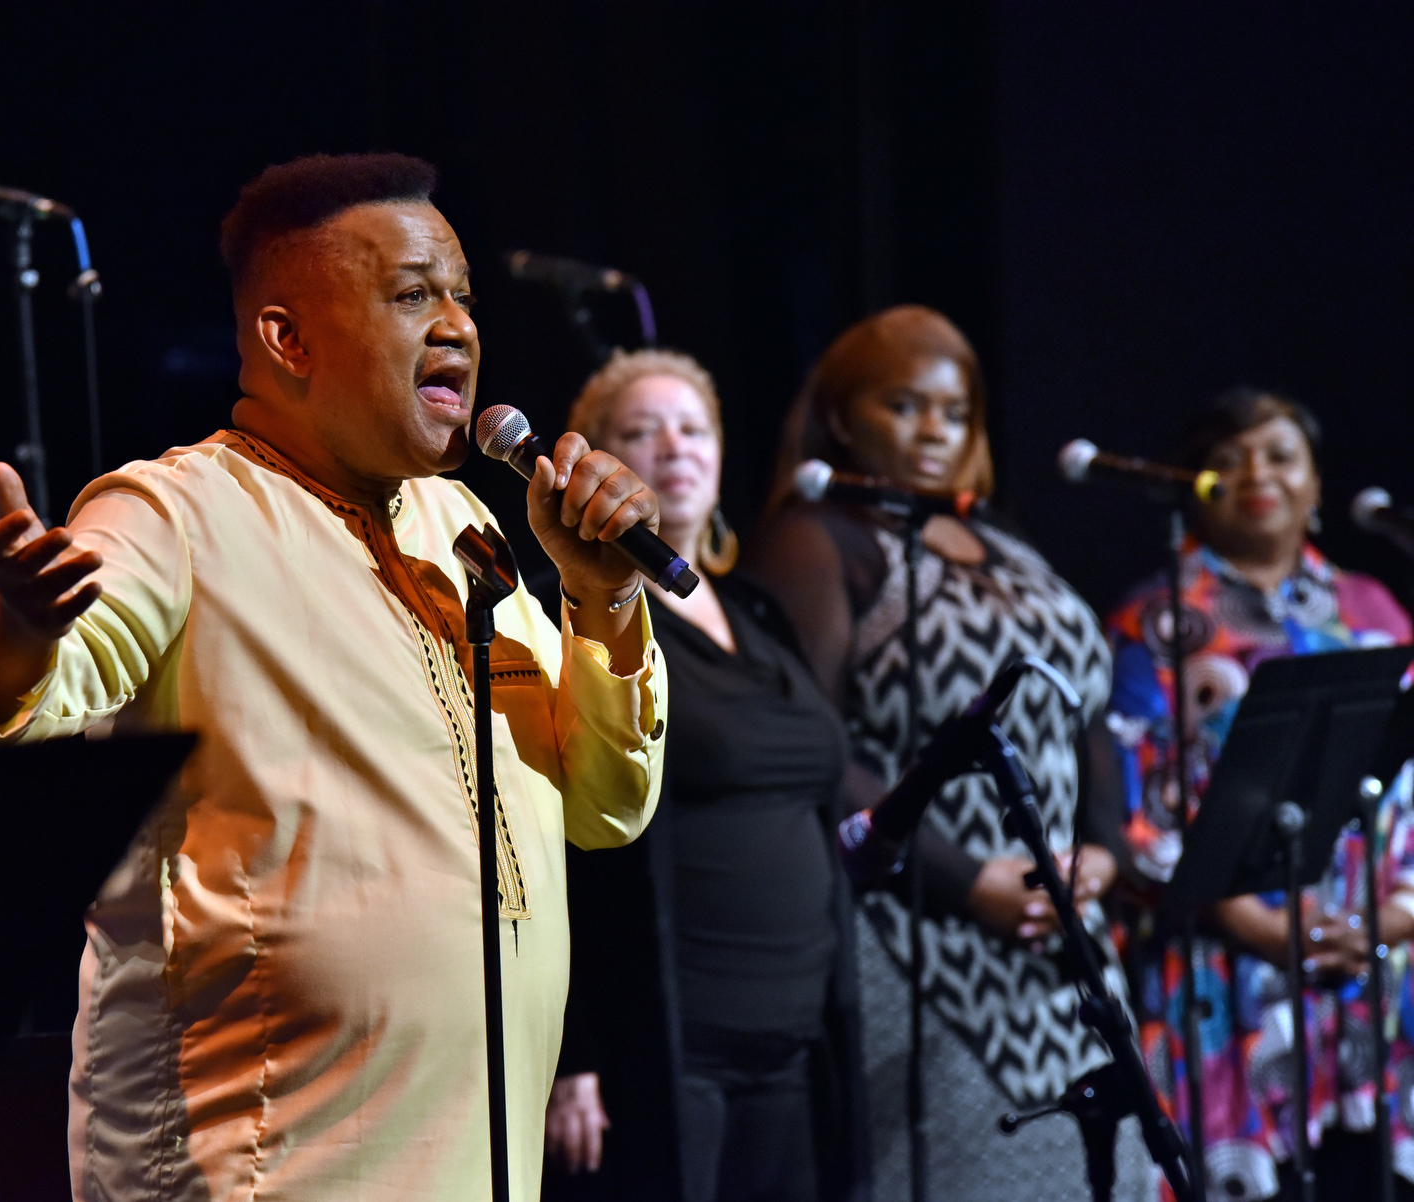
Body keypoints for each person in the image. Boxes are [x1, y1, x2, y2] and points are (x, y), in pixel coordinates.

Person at [0, 154, 669, 1202]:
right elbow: (20, 697)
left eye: (462, 295)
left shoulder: (465, 528)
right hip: (263, 1165)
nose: (456, 324)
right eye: (413, 295)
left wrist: (605, 600)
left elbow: (606, 803)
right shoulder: (175, 513)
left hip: (477, 1163)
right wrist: (24, 630)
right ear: (287, 337)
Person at [749, 305, 1147, 1201]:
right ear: (846, 418)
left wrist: (1102, 853)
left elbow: (1082, 712)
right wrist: (970, 881)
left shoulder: (1005, 540)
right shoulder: (819, 540)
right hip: (919, 937)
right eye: (905, 405)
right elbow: (812, 745)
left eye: (955, 411)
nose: (935, 430)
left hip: (1065, 949)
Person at [540, 349, 863, 1202]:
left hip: (796, 1045)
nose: (673, 448)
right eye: (639, 432)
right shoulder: (575, 615)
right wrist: (570, 1055)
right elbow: (550, 838)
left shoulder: (759, 612)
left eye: (693, 429)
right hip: (669, 1051)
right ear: (596, 464)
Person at [1105, 388, 1414, 1201]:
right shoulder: (1153, 621)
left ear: (1315, 485)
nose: (1256, 474)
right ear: (1193, 487)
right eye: (1228, 459)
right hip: (1227, 968)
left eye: (1280, 455)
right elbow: (1131, 803)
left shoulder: (1374, 610)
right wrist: (1263, 927)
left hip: (1374, 963)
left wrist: (1395, 915)